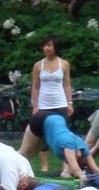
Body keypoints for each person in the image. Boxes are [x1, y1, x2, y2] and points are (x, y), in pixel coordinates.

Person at [19, 36, 73, 173]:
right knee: (42, 134)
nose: (46, 48)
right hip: (43, 105)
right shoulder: (38, 65)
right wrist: (35, 106)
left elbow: (67, 85)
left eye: (49, 45)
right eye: (44, 46)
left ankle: (65, 167)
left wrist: (70, 103)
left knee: (63, 134)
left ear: (55, 47)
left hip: (60, 104)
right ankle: (44, 165)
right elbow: (35, 87)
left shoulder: (64, 64)